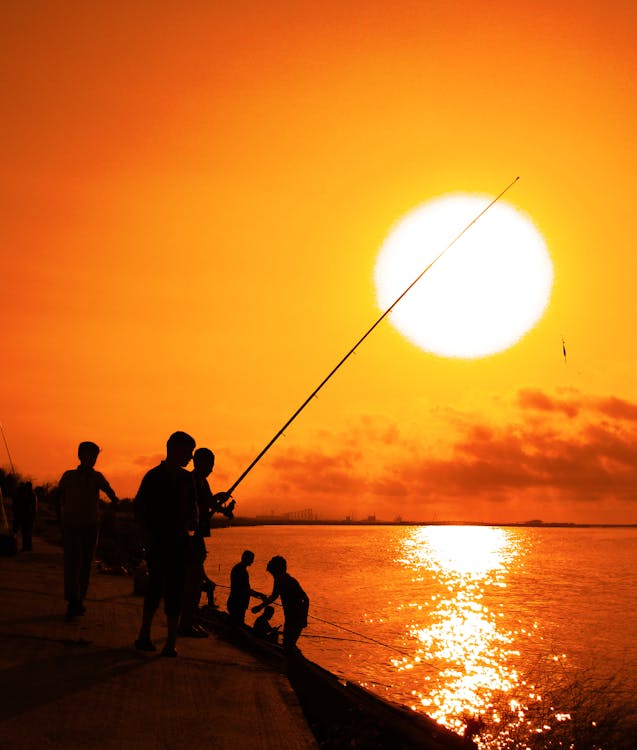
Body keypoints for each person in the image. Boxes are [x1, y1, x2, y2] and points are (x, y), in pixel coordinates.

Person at [134, 431, 198, 657]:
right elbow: (140, 509)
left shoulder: (185, 478)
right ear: (174, 449)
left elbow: (193, 513)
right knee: (157, 589)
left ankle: (169, 642)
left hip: (177, 543)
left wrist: (192, 523)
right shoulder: (153, 477)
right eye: (188, 452)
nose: (190, 457)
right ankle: (146, 636)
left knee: (174, 592)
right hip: (159, 543)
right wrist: (145, 538)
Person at [57, 441, 119, 617]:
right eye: (89, 455)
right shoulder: (68, 476)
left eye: (95, 456)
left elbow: (111, 493)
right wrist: (60, 520)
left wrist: (113, 506)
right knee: (72, 564)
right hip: (71, 525)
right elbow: (58, 497)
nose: (92, 459)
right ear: (80, 455)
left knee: (85, 564)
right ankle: (73, 600)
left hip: (91, 526)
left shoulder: (97, 477)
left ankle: (79, 599)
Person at [179, 447, 233, 637]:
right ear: (200, 463)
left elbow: (209, 503)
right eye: (210, 464)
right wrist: (217, 499)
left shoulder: (203, 481)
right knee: (192, 583)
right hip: (192, 536)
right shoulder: (192, 481)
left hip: (198, 535)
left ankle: (190, 621)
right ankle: (186, 624)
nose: (212, 469)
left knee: (195, 579)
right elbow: (198, 505)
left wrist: (224, 508)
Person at [252, 555, 309, 651]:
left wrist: (304, 618)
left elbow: (306, 599)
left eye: (273, 573)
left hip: (296, 617)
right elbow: (274, 596)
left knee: (289, 644)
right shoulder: (278, 581)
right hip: (289, 616)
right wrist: (260, 607)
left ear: (279, 570)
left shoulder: (291, 582)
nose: (273, 576)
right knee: (288, 643)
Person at [226, 550, 265, 625]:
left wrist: (259, 595)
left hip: (237, 603)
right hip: (237, 604)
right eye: (251, 559)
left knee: (236, 624)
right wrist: (260, 595)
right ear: (246, 558)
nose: (252, 561)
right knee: (237, 625)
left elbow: (245, 589)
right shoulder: (241, 571)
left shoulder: (239, 568)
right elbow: (245, 590)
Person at [12, 480, 37, 551]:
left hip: (28, 516)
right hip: (27, 516)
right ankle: (26, 547)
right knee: (25, 532)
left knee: (26, 532)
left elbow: (30, 506)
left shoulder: (31, 495)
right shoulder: (30, 494)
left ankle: (27, 547)